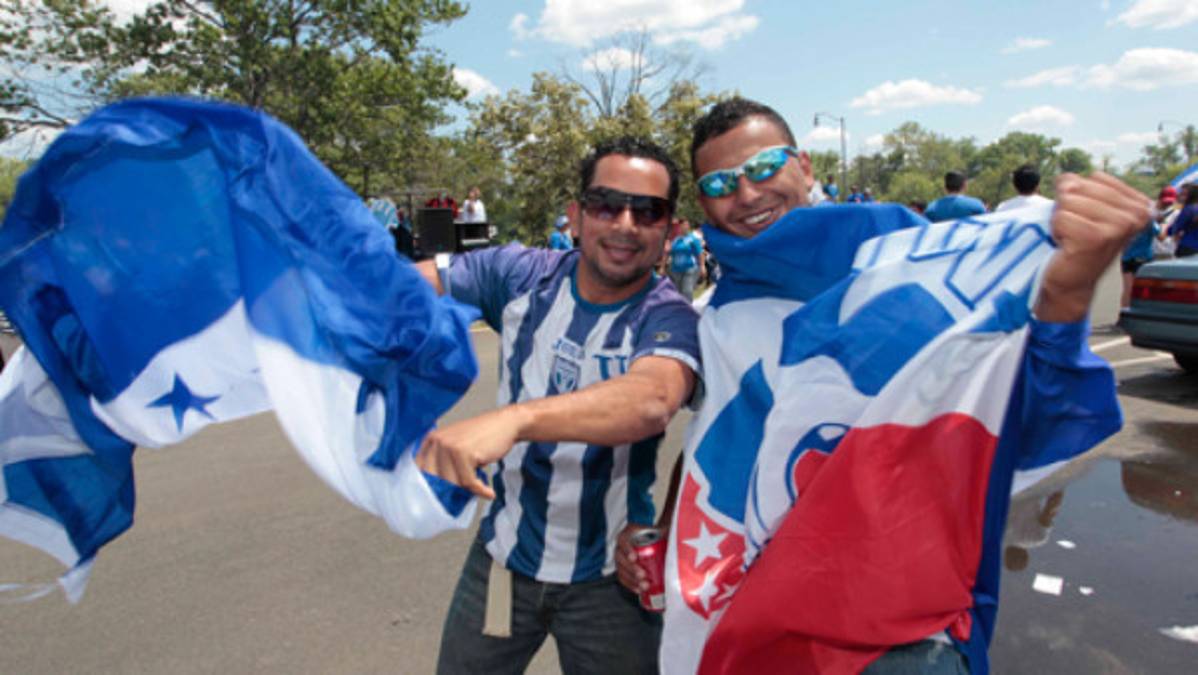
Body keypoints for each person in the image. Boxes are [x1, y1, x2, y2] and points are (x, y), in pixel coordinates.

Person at [639, 97, 1148, 674]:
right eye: (721, 182)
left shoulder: (918, 276)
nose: (748, 193)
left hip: (896, 634)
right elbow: (713, 445)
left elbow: (1028, 415)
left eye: (763, 167)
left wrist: (1066, 296)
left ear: (804, 167)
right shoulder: (712, 319)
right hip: (756, 626)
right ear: (702, 202)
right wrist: (663, 533)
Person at [414, 136, 702, 675]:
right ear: (575, 215)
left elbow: (652, 399)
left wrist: (515, 419)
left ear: (670, 229)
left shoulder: (671, 317)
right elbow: (404, 290)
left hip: (612, 581)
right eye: (605, 204)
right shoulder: (522, 276)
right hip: (501, 560)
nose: (624, 224)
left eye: (648, 211)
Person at [1121, 217, 1159, 308]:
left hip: (1126, 257)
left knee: (1127, 288)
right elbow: (1161, 236)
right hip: (1143, 257)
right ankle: (1141, 308)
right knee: (1144, 288)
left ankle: (1125, 310)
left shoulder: (1127, 221)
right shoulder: (1150, 222)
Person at [666, 218, 705, 297]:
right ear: (680, 226)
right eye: (684, 225)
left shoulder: (693, 239)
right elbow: (669, 253)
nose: (686, 227)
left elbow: (700, 253)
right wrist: (663, 266)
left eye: (687, 225)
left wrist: (702, 266)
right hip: (675, 270)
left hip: (689, 268)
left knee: (687, 291)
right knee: (678, 292)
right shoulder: (675, 239)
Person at [1170, 183, 1198, 257]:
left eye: (1183, 194)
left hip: (1188, 248)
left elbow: (1173, 229)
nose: (1179, 195)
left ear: (1191, 196)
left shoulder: (1188, 210)